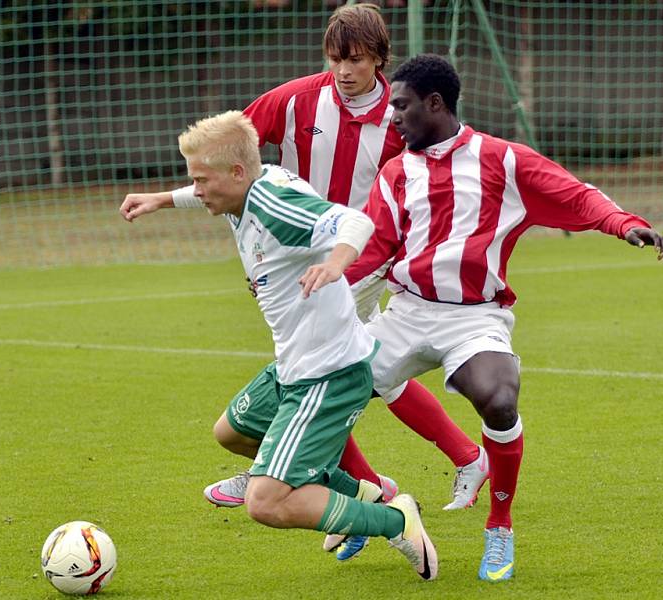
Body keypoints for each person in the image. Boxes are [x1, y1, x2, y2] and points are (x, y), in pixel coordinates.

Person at [121, 2, 488, 558]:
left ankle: (366, 491)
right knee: (349, 374)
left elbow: (416, 179)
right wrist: (167, 197)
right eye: (335, 58)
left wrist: (353, 257)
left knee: (351, 372)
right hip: (292, 251)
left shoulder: (399, 113)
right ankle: (377, 483)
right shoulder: (295, 100)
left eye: (357, 60)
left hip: (356, 254)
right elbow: (227, 159)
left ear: (379, 60)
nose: (344, 70)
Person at [342, 54, 663, 583]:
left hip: (475, 317)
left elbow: (575, 194)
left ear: (435, 104)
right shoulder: (395, 172)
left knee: (499, 398)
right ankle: (370, 503)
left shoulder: (502, 160)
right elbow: (374, 248)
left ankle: (499, 526)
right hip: (405, 314)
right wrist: (320, 282)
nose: (393, 117)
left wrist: (623, 223)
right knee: (323, 397)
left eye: (401, 106)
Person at [119, 110, 438, 581]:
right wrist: (162, 199)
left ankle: (395, 518)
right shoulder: (241, 190)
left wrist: (336, 265)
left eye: (201, 179)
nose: (197, 188)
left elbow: (353, 222)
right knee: (233, 432)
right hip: (292, 365)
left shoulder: (273, 205)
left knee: (266, 503)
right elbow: (205, 190)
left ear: (238, 173)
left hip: (327, 374)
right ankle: (358, 494)